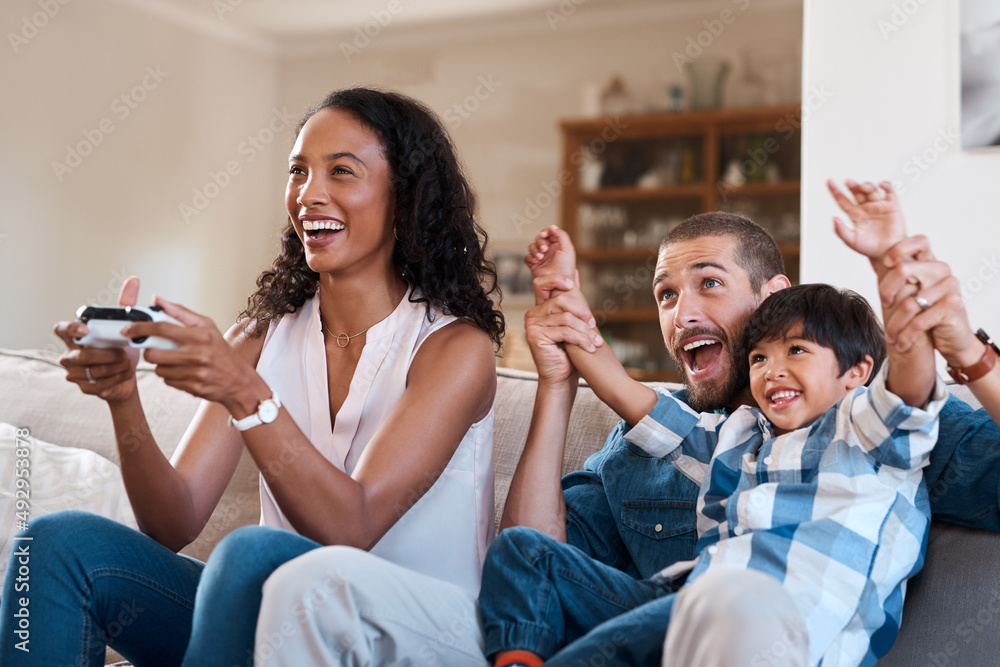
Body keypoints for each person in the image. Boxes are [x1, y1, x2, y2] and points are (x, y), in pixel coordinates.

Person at [0, 87, 503, 667]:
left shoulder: (454, 349)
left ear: (407, 199)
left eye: (342, 171)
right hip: (276, 614)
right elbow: (173, 520)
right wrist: (122, 398)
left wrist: (245, 393)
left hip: (415, 633)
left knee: (252, 554)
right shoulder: (262, 336)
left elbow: (352, 525)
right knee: (57, 546)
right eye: (298, 171)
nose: (309, 194)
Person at [490, 180, 1000, 665]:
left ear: (771, 296)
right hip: (671, 616)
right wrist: (561, 366)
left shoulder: (868, 422)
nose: (683, 313)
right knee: (521, 556)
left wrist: (954, 340)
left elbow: (909, 371)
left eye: (709, 283)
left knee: (731, 597)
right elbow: (537, 566)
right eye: (665, 295)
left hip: (768, 627)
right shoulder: (709, 438)